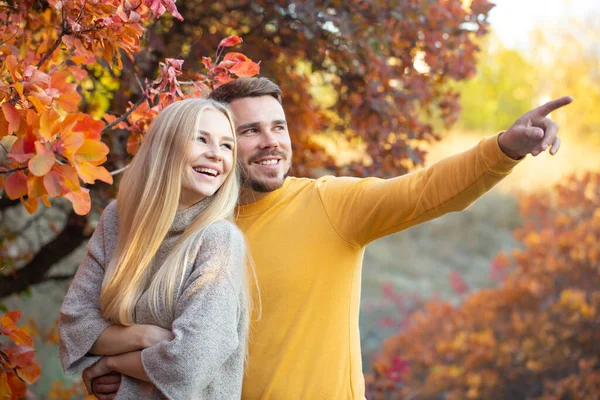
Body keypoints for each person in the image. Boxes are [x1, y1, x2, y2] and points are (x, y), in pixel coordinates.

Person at [92, 77, 573, 399]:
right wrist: (112, 373)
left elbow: (430, 191)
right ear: (216, 142)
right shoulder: (184, 226)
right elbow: (146, 339)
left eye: (279, 127)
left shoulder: (329, 205)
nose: (272, 141)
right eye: (251, 131)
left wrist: (505, 148)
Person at [59, 98, 254, 399]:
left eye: (227, 146)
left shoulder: (218, 240)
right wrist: (144, 336)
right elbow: (75, 324)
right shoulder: (119, 218)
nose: (216, 154)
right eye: (201, 138)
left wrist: (111, 362)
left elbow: (190, 362)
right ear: (165, 145)